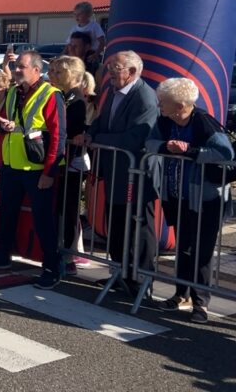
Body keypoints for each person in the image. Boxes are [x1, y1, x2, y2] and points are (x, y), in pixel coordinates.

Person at [0, 50, 66, 290]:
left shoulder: (51, 94)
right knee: (6, 213)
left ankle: (51, 268)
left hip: (36, 168)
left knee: (43, 219)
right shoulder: (14, 92)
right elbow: (7, 122)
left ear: (37, 70)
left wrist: (49, 173)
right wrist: (2, 124)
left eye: (21, 67)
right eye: (16, 66)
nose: (16, 70)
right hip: (12, 164)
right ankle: (2, 255)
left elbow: (58, 136)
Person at [147, 77, 234, 324]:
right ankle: (181, 294)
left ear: (181, 105)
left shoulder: (204, 123)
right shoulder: (165, 121)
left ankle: (201, 303)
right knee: (184, 247)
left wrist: (190, 151)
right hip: (177, 195)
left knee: (202, 252)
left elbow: (225, 153)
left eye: (163, 102)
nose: (160, 106)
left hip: (205, 199)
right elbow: (151, 143)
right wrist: (167, 146)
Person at [74, 50, 158, 295]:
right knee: (117, 223)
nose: (109, 71)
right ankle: (120, 274)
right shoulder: (112, 92)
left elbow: (136, 137)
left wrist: (97, 139)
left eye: (115, 67)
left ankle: (141, 280)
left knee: (138, 227)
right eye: (110, 66)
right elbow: (102, 120)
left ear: (131, 72)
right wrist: (90, 134)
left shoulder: (144, 97)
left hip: (137, 174)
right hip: (114, 170)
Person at [48, 56, 97, 276]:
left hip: (72, 163)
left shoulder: (76, 100)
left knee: (67, 211)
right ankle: (62, 253)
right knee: (61, 211)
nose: (54, 76)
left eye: (59, 72)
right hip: (65, 161)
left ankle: (68, 257)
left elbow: (70, 130)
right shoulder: (65, 96)